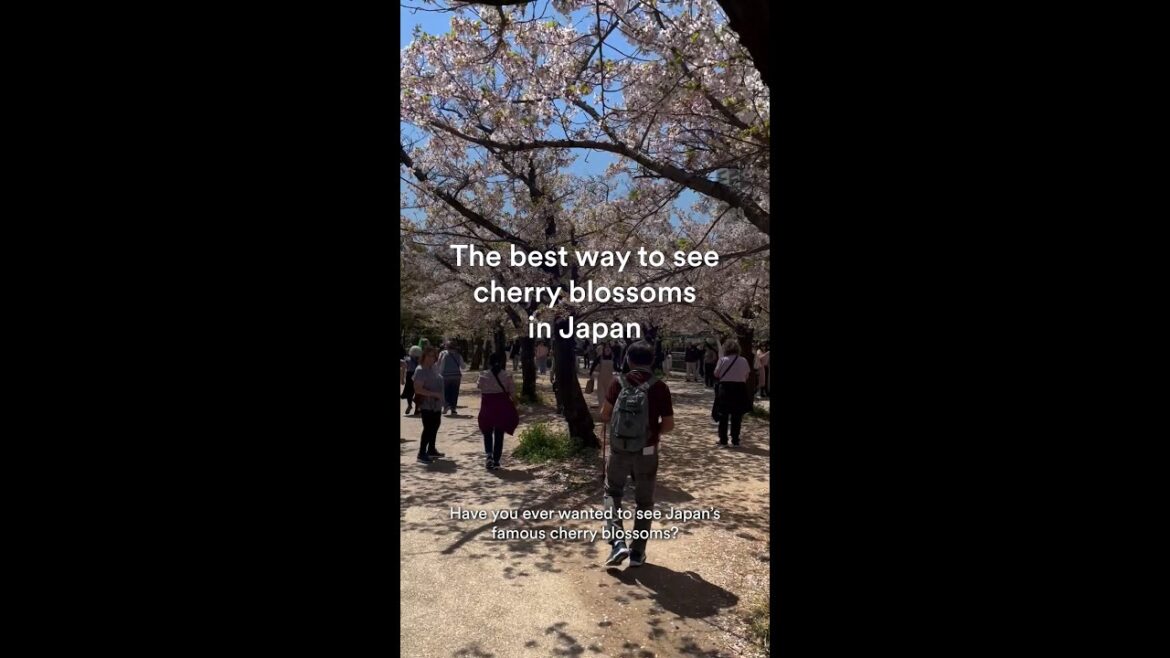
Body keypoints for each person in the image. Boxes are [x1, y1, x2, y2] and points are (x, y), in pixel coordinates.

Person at [600, 340, 674, 568]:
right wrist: (651, 434)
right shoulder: (659, 386)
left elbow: (605, 414)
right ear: (652, 361)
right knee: (644, 502)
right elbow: (669, 424)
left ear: (628, 359)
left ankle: (618, 542)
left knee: (612, 493)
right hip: (647, 450)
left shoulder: (618, 382)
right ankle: (637, 553)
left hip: (620, 449)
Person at [477, 352, 519, 471]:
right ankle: (496, 460)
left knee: (487, 432)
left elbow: (479, 387)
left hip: (487, 407)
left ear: (489, 363)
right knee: (499, 433)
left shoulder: (483, 375)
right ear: (501, 362)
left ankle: (489, 455)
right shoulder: (507, 376)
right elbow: (513, 394)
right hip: (501, 408)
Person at [712, 340, 752, 447]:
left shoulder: (723, 360)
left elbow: (716, 374)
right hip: (739, 389)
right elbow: (746, 375)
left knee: (723, 415)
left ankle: (723, 440)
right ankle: (735, 440)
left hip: (725, 388)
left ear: (726, 349)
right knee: (737, 415)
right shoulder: (743, 360)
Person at [413, 347, 446, 464]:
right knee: (428, 428)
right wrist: (434, 394)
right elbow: (418, 389)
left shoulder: (434, 368)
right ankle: (421, 453)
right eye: (429, 356)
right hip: (427, 404)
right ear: (424, 356)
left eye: (433, 356)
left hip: (436, 404)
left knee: (435, 426)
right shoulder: (420, 370)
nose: (431, 358)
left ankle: (431, 449)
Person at [438, 340, 464, 415]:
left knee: (446, 391)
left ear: (447, 347)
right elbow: (463, 366)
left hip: (446, 376)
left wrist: (440, 374)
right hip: (456, 376)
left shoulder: (444, 355)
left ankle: (446, 406)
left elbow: (441, 366)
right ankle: (453, 409)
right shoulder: (459, 355)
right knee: (455, 392)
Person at [590, 343, 615, 408]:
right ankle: (601, 409)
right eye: (606, 348)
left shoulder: (613, 357)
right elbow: (593, 365)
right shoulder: (600, 357)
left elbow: (616, 368)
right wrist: (590, 374)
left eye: (609, 348)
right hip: (601, 379)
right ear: (603, 349)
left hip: (610, 379)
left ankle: (607, 410)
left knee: (609, 395)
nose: (607, 349)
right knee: (601, 395)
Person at [401, 345, 422, 415]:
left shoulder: (407, 359)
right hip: (418, 376)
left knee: (409, 392)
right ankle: (417, 409)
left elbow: (403, 368)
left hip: (409, 376)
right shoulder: (420, 360)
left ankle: (409, 405)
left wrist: (402, 378)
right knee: (418, 392)